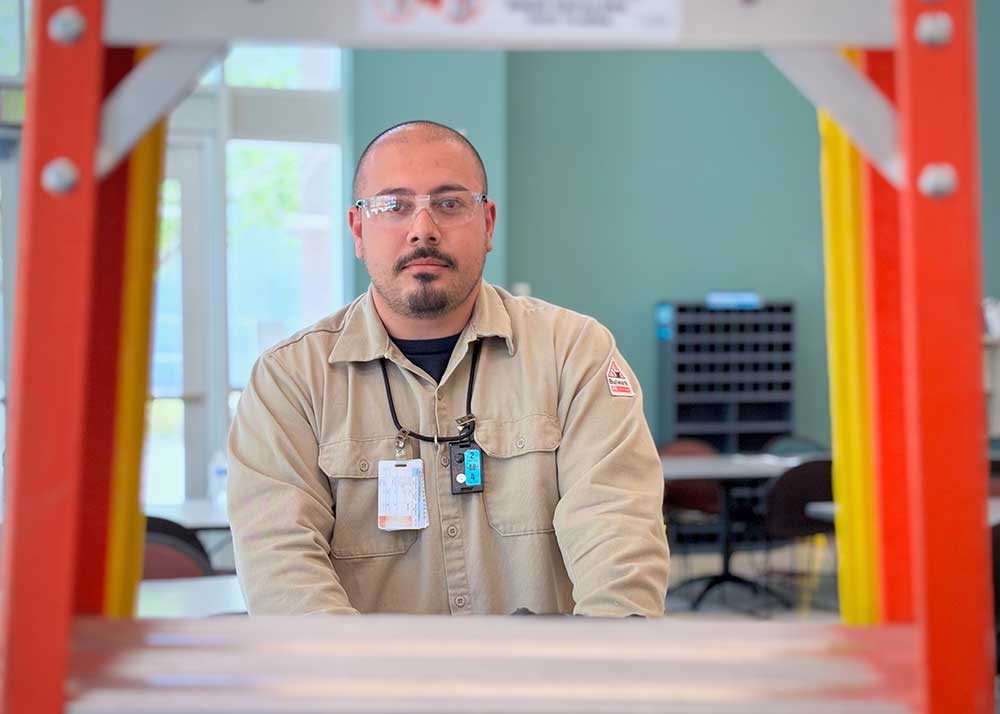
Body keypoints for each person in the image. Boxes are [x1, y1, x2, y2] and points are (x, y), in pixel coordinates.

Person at [228, 120, 670, 616]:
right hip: (363, 670)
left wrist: (601, 658)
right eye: (394, 206)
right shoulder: (290, 381)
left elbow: (619, 538)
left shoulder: (574, 353)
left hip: (546, 669)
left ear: (488, 224)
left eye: (450, 203)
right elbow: (284, 574)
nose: (423, 229)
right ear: (358, 229)